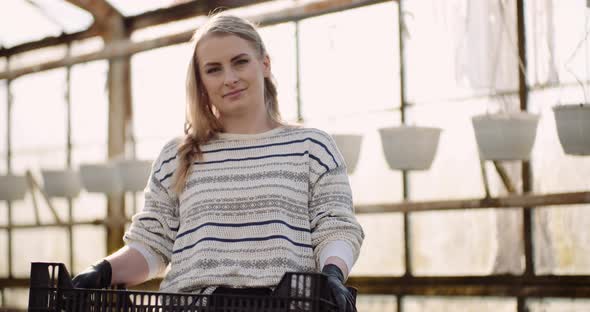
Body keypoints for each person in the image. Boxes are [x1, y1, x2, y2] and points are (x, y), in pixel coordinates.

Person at [72, 13, 364, 312]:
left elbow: (336, 227)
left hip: (287, 304)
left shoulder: (311, 147)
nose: (229, 78)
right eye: (214, 69)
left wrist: (333, 272)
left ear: (265, 63)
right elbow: (152, 243)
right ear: (201, 81)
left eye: (240, 62)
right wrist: (103, 270)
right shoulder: (177, 156)